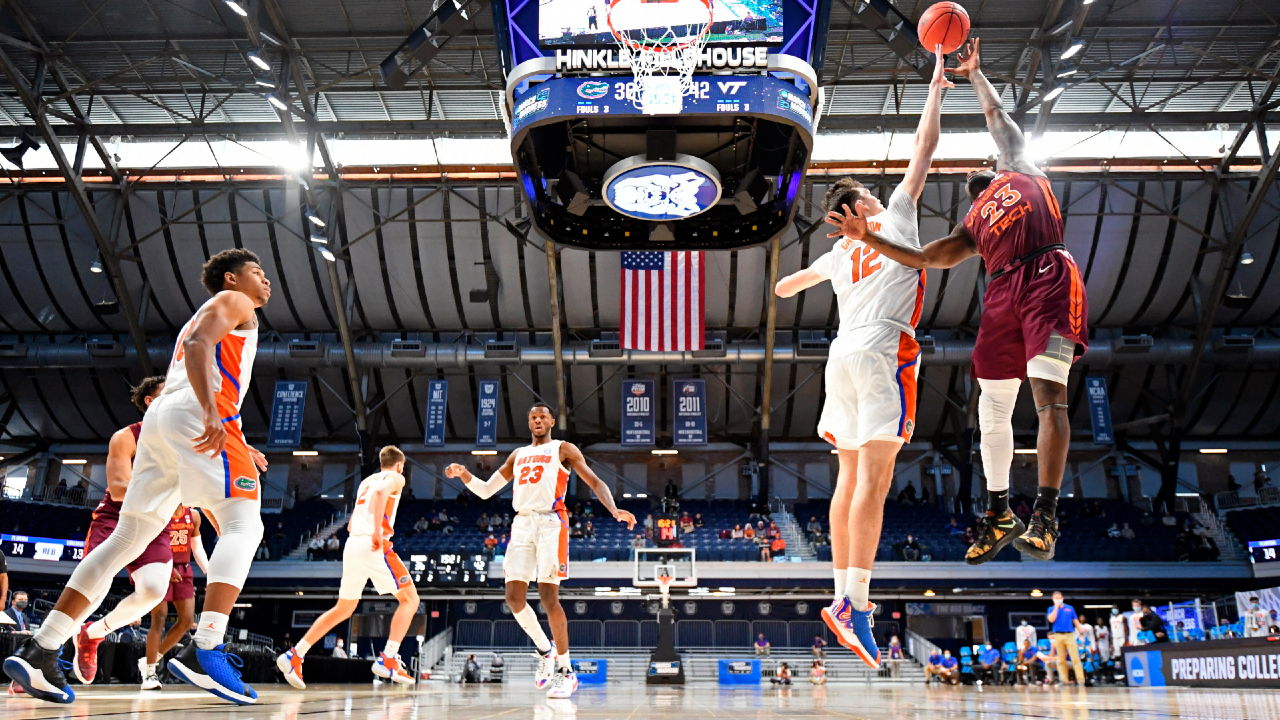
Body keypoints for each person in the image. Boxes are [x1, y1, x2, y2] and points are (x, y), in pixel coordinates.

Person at [845, 38, 1088, 566]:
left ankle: (1045, 516)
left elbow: (999, 117)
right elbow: (925, 257)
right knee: (991, 407)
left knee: (1050, 396)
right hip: (1002, 292)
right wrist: (869, 238)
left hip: (1050, 277)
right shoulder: (973, 224)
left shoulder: (1024, 170)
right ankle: (999, 510)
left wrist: (976, 75)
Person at [775, 47, 950, 673]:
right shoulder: (893, 218)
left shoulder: (839, 253)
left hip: (840, 355)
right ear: (868, 208)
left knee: (849, 478)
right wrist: (934, 81)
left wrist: (826, 259)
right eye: (873, 197)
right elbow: (924, 148)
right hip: (882, 349)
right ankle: (856, 601)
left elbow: (782, 289)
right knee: (874, 480)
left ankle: (842, 598)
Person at [444, 404, 637, 699]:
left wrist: (613, 509)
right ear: (529, 422)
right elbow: (485, 491)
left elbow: (595, 481)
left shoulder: (563, 449)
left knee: (548, 595)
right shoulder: (517, 455)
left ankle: (566, 671)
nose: (537, 420)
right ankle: (545, 651)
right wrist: (465, 474)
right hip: (521, 522)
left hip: (550, 522)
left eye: (542, 416)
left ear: (551, 421)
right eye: (532, 416)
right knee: (513, 597)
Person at [66, 378, 210, 691]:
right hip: (116, 516)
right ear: (149, 401)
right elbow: (118, 489)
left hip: (154, 521)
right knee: (92, 592)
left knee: (154, 591)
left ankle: (93, 634)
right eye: (169, 394)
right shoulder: (127, 437)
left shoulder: (183, 441)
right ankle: (42, 653)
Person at [277, 446, 419, 689]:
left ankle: (294, 655)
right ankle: (389, 658)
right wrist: (376, 531)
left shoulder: (366, 481)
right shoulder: (395, 477)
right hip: (374, 543)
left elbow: (353, 520)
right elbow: (380, 496)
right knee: (410, 599)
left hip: (352, 544)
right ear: (399, 465)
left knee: (343, 608)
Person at [141, 505, 210, 690]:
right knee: (160, 617)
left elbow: (197, 548)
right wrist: (166, 567)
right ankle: (149, 673)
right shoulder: (160, 511)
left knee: (187, 621)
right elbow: (150, 544)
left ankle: (152, 660)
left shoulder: (193, 515)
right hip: (161, 565)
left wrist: (209, 573)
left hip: (184, 569)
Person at [1047, 591, 1086, 685]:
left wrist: (1080, 632)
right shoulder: (1051, 609)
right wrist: (1056, 607)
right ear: (1052, 600)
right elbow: (1051, 619)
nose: (1057, 600)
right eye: (1055, 598)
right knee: (1061, 659)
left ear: (1063, 598)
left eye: (1059, 598)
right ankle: (1064, 680)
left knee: (1075, 658)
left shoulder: (1069, 608)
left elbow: (1075, 621)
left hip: (1069, 634)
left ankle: (1081, 680)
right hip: (1058, 635)